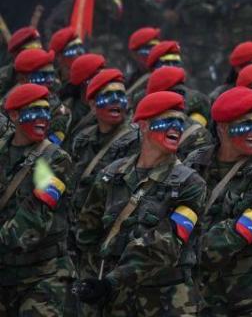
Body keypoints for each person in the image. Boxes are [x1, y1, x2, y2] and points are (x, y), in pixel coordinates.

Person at [74, 91, 208, 315]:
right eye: (167, 121)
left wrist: (109, 283)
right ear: (144, 125)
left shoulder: (190, 183)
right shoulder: (112, 174)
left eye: (179, 122)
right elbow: (88, 233)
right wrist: (90, 283)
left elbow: (164, 245)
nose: (175, 128)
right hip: (115, 302)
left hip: (166, 302)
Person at [184, 87, 252, 316]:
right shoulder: (196, 163)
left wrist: (186, 254)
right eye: (246, 126)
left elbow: (244, 228)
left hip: (250, 291)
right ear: (223, 128)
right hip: (202, 292)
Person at [0, 84, 74, 315]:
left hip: (44, 275)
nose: (42, 119)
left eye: (45, 112)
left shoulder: (56, 160)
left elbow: (33, 220)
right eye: (33, 112)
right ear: (14, 115)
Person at [68, 69, 138, 217]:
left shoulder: (136, 140)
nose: (115, 100)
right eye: (107, 96)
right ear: (93, 105)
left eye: (120, 95)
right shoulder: (82, 139)